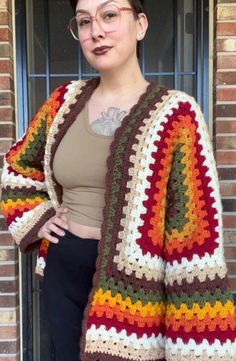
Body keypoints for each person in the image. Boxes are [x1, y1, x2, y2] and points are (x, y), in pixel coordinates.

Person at [0, 0, 236, 360]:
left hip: (134, 289)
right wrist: (38, 217)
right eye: (83, 22)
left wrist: (193, 342)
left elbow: (192, 231)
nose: (96, 31)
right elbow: (18, 165)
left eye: (109, 15)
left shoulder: (177, 115)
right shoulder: (63, 102)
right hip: (62, 271)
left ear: (140, 25)